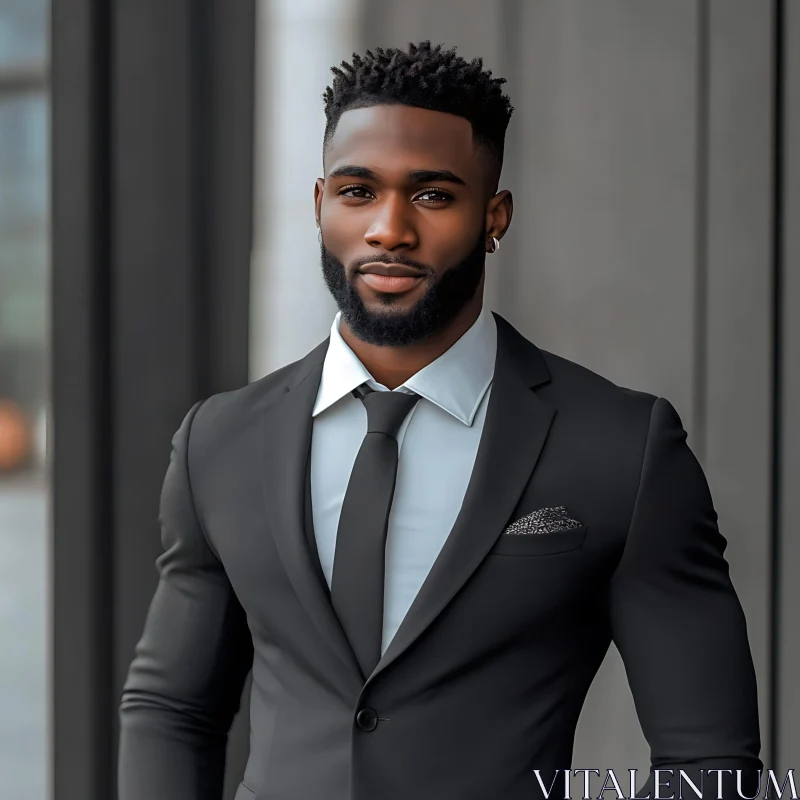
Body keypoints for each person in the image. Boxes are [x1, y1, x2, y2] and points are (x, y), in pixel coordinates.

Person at [118, 41, 762, 800]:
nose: (389, 228)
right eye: (359, 192)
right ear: (320, 202)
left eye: (431, 195)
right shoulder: (217, 442)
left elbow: (709, 762)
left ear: (495, 217)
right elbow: (172, 709)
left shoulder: (624, 448)